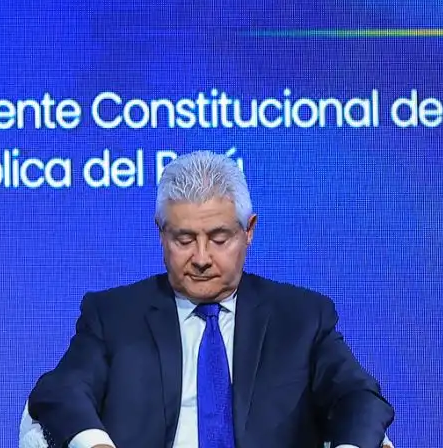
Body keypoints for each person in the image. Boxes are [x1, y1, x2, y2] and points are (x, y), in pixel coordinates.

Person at [28, 152, 393, 448]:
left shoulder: (301, 318)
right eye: (184, 240)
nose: (201, 258)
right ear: (161, 234)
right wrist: (95, 446)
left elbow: (359, 396)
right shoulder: (113, 316)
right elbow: (62, 389)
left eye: (218, 239)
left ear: (248, 231)